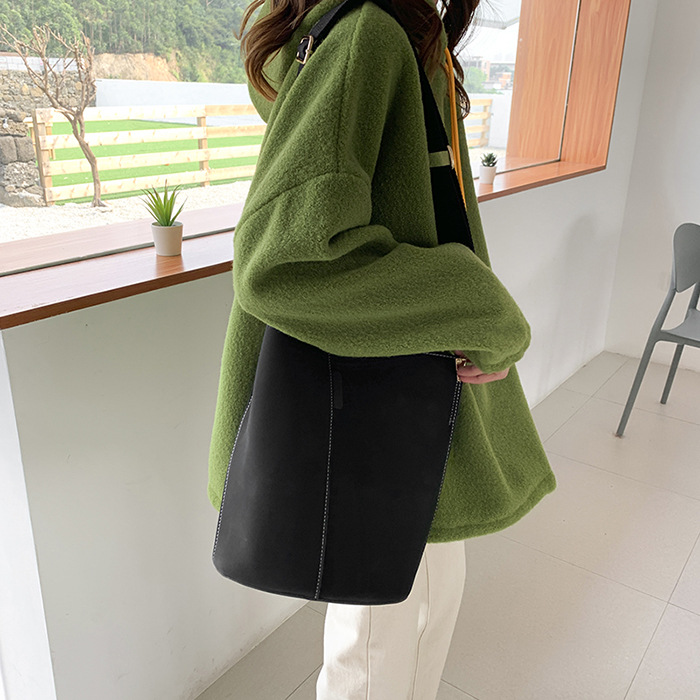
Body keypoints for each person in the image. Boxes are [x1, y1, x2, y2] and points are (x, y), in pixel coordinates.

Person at [208, 0, 558, 697]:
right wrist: (482, 308)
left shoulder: (370, 29)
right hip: (390, 408)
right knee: (384, 642)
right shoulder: (368, 33)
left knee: (396, 625)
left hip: (388, 390)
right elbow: (284, 260)